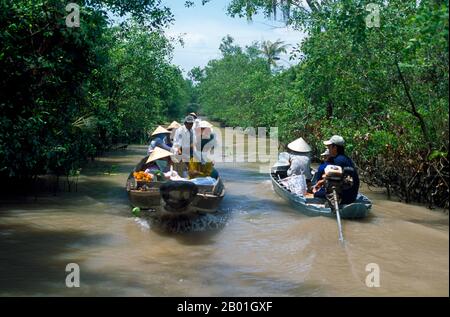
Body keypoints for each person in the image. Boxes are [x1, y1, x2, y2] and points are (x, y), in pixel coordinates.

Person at [315, 135, 360, 204]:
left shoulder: (337, 161)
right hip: (353, 196)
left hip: (343, 198)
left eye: (329, 146)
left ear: (335, 147)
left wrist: (320, 183)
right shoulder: (347, 159)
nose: (328, 148)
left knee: (316, 193)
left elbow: (334, 179)